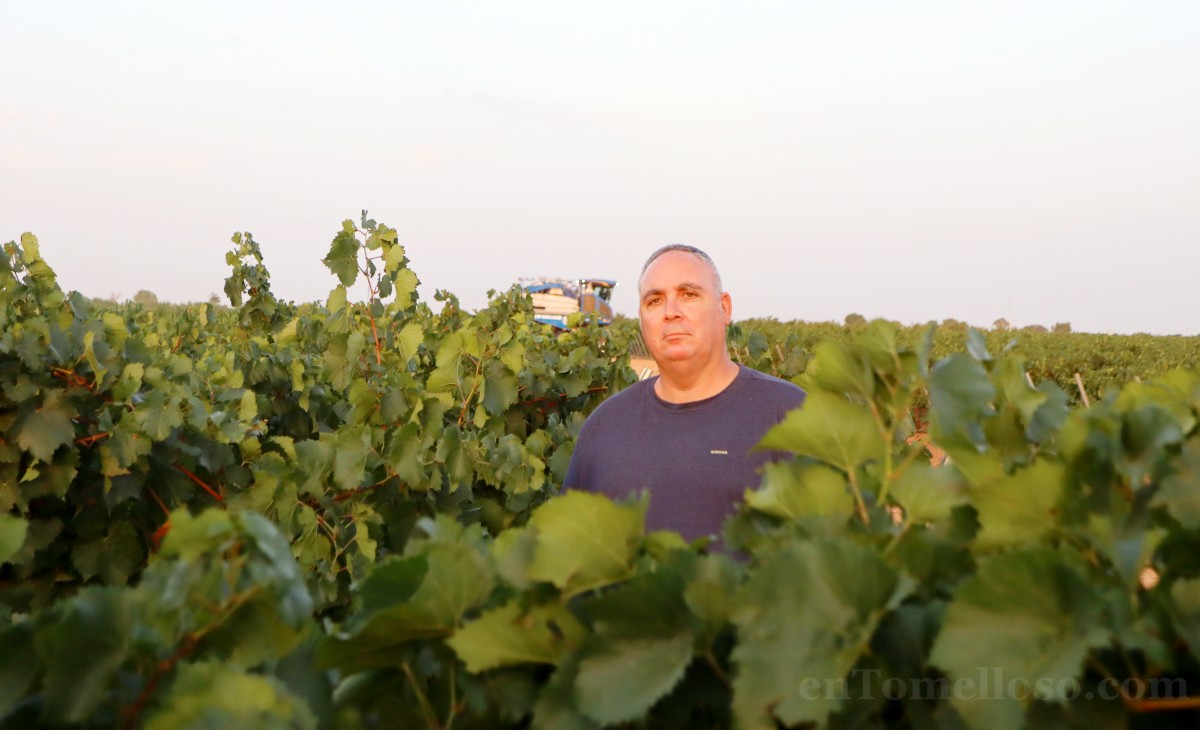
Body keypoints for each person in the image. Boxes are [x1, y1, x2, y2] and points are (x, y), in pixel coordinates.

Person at [563, 244, 806, 546]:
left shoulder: (791, 415)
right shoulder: (604, 428)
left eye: (689, 295)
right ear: (641, 317)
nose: (671, 312)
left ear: (725, 307)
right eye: (655, 300)